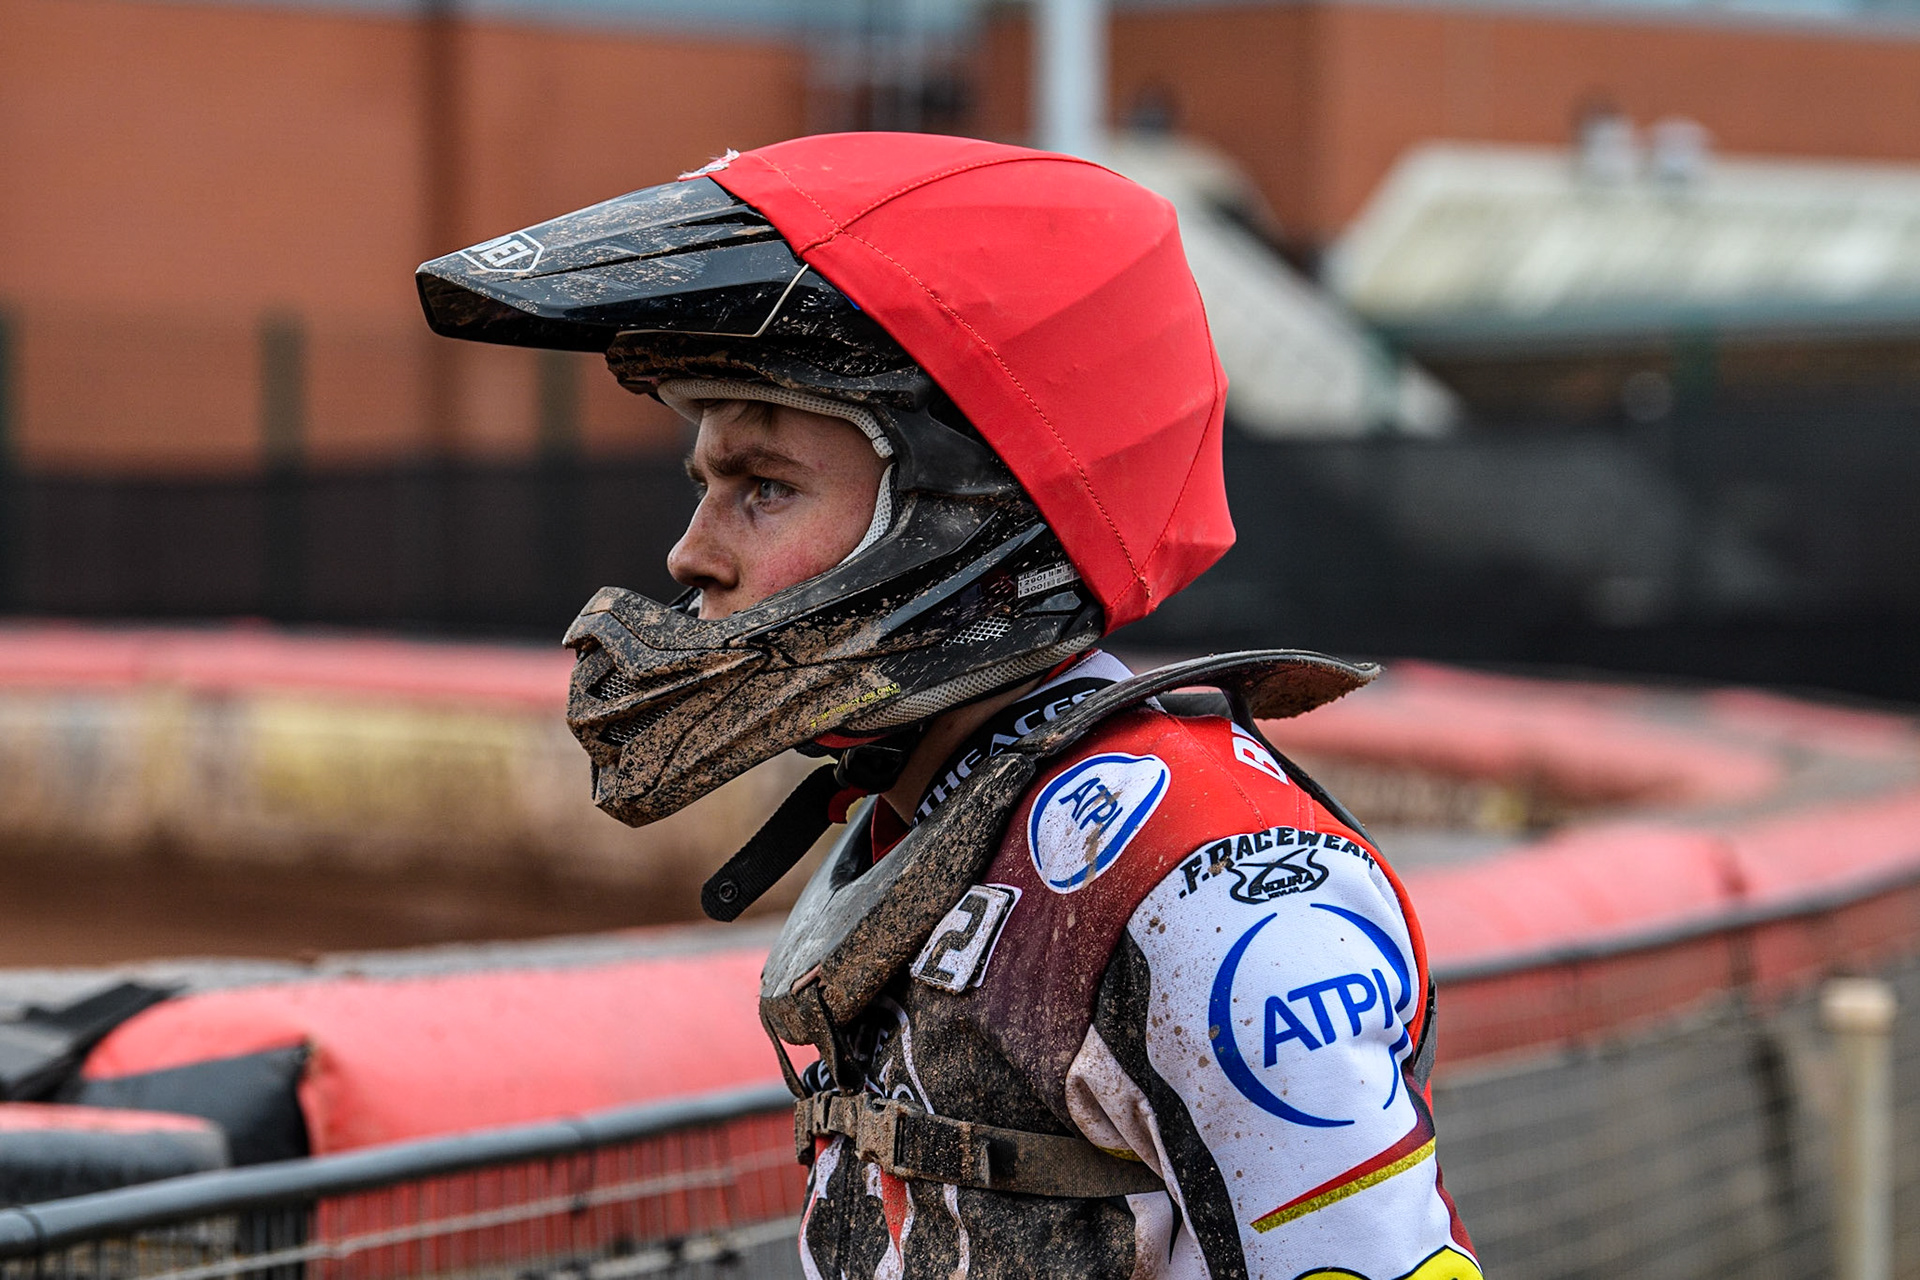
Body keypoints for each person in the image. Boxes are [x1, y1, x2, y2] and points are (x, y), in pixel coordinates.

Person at [417, 132, 1479, 1280]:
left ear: (961, 515)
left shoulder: (1206, 884)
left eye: (762, 488)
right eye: (705, 484)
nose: (692, 553)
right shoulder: (930, 814)